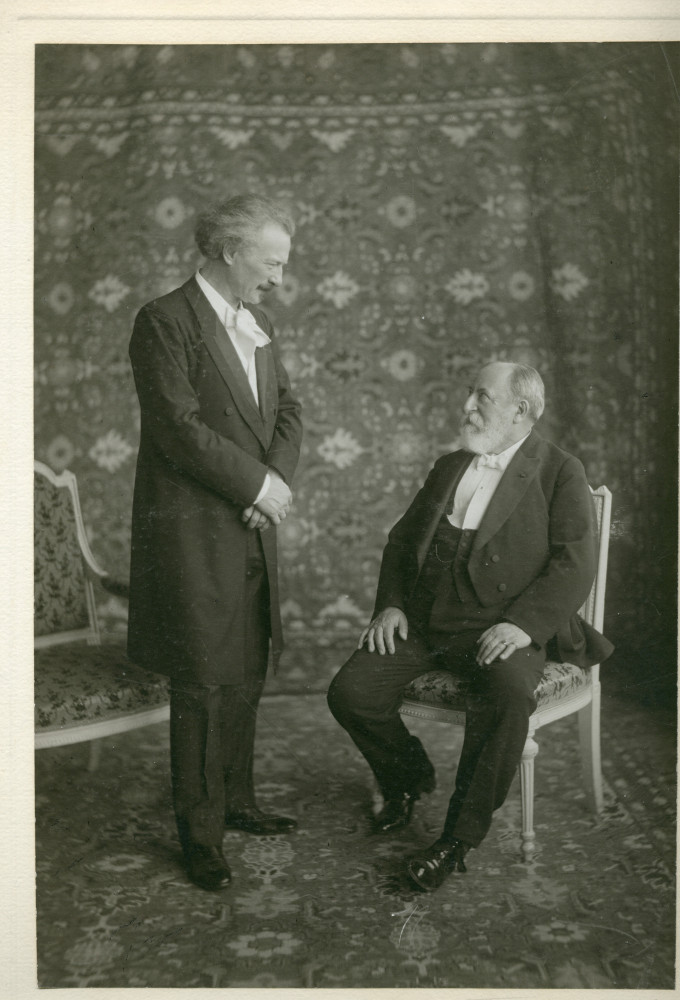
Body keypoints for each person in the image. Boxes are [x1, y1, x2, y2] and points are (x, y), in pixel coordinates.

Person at [327, 361, 613, 892]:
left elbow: (575, 562)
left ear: (519, 410)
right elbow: (399, 541)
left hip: (502, 628)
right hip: (427, 621)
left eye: (481, 397)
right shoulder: (449, 465)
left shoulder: (559, 470)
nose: (467, 407)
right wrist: (390, 606)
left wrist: (523, 626)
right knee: (350, 692)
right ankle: (409, 777)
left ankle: (455, 841)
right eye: (470, 395)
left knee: (506, 695)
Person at [127, 194, 303, 891]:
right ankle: (200, 837)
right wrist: (260, 488)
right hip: (195, 536)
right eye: (272, 262)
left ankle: (239, 801)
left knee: (246, 669)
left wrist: (272, 486)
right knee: (202, 682)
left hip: (251, 526)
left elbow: (288, 410)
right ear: (230, 250)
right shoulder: (163, 322)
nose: (279, 280)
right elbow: (177, 428)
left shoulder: (256, 322)